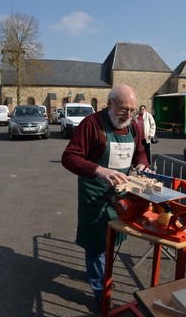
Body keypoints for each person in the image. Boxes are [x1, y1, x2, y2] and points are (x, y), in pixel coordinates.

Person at [61, 85, 149, 303]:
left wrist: (142, 166)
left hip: (121, 195)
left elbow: (140, 153)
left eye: (132, 110)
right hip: (95, 193)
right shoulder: (91, 124)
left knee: (113, 238)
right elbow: (69, 157)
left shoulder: (133, 126)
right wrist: (99, 170)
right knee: (96, 243)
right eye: (123, 110)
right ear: (110, 104)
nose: (128, 115)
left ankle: (96, 273)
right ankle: (101, 295)